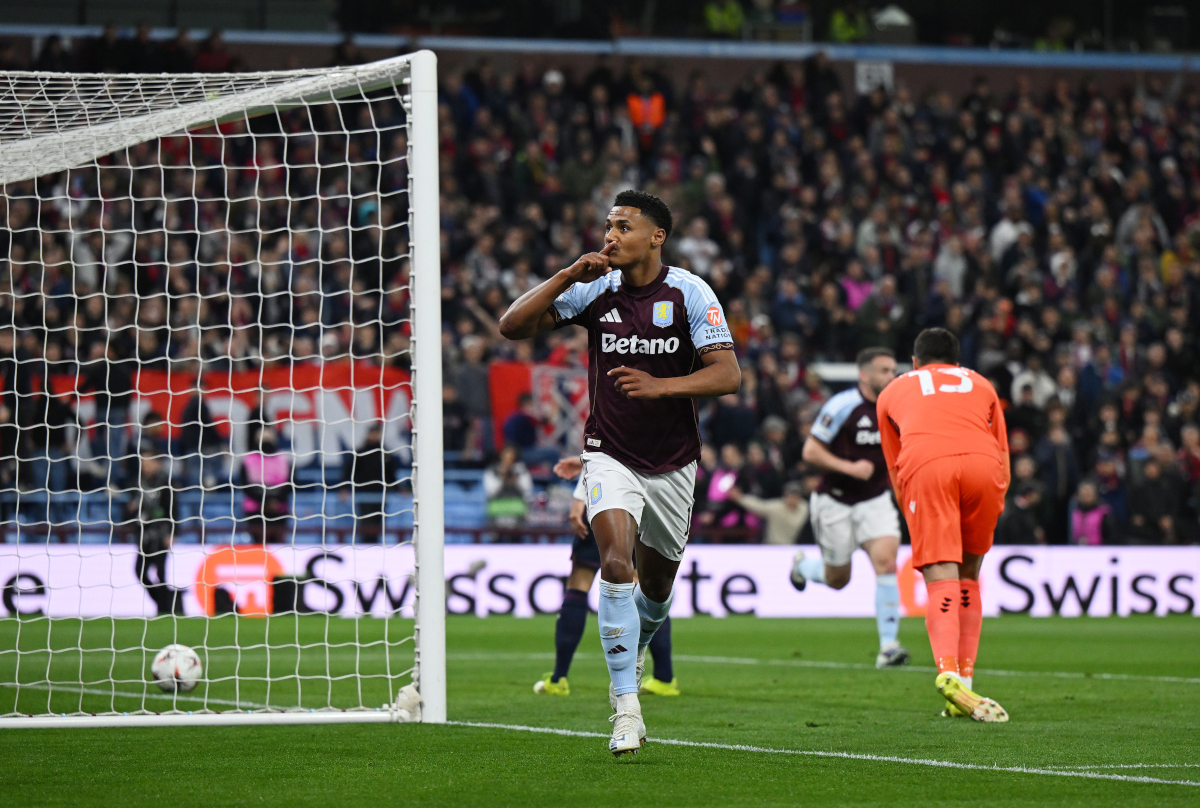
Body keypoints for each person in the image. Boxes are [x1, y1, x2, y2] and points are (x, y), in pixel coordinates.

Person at [499, 189, 740, 756]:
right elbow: (513, 327)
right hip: (610, 452)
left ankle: (633, 648)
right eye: (608, 225)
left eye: (624, 226)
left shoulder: (689, 292)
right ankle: (626, 706)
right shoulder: (594, 288)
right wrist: (564, 276)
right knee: (613, 563)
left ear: (656, 236)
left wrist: (663, 385)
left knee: (656, 589)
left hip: (674, 461)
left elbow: (728, 374)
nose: (611, 236)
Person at [876, 328, 1010, 722]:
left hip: (928, 466)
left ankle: (948, 673)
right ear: (956, 361)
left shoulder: (893, 390)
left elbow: (894, 463)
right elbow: (1002, 449)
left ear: (915, 362)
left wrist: (913, 514)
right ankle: (965, 684)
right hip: (984, 467)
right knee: (970, 574)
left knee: (941, 578)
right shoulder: (981, 383)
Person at [790, 347, 909, 668]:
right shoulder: (843, 405)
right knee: (838, 579)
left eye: (892, 370)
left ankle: (889, 647)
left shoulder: (897, 408)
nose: (891, 376)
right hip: (836, 500)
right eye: (883, 371)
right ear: (864, 374)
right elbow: (811, 451)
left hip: (875, 499)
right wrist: (848, 467)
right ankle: (801, 567)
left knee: (886, 562)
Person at [533, 456, 677, 698]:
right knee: (641, 586)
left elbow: (602, 446)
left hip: (611, 494)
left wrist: (580, 497)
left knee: (581, 578)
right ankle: (664, 676)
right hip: (649, 492)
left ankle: (558, 678)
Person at [124, 443, 182, 615]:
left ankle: (163, 609)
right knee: (140, 572)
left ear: (157, 463)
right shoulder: (136, 482)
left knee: (161, 573)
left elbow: (173, 510)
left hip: (160, 533)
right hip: (143, 534)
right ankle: (163, 602)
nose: (144, 464)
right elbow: (130, 509)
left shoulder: (166, 483)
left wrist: (173, 532)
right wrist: (130, 511)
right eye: (142, 460)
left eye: (148, 460)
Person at [727, 480, 808, 545]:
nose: (792, 499)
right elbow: (758, 505)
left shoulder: (805, 508)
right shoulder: (776, 507)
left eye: (796, 496)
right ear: (785, 496)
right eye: (790, 496)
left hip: (791, 547)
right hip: (772, 546)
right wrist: (740, 498)